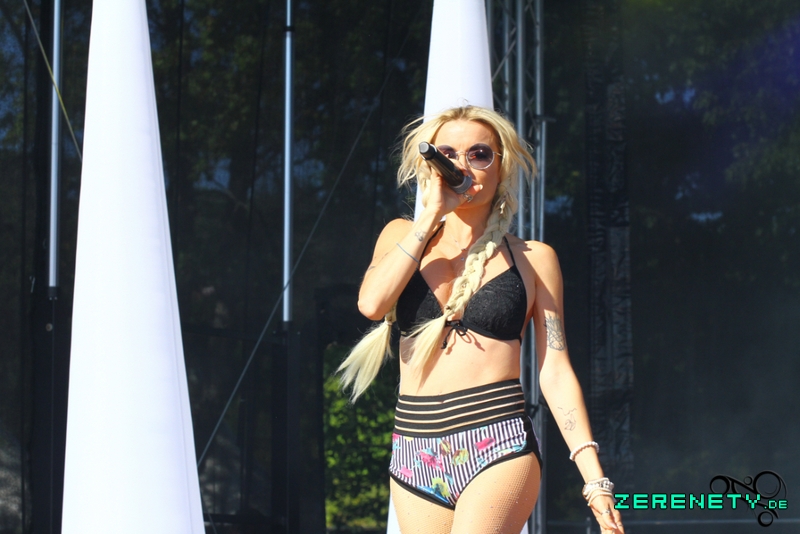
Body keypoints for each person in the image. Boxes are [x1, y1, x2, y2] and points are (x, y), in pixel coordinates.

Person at [338, 106, 624, 534]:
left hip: (498, 443)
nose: (463, 164)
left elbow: (555, 370)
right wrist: (430, 216)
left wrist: (595, 481)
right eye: (449, 154)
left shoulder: (534, 258)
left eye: (479, 154)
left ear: (501, 165)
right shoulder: (401, 235)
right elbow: (372, 304)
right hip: (415, 449)